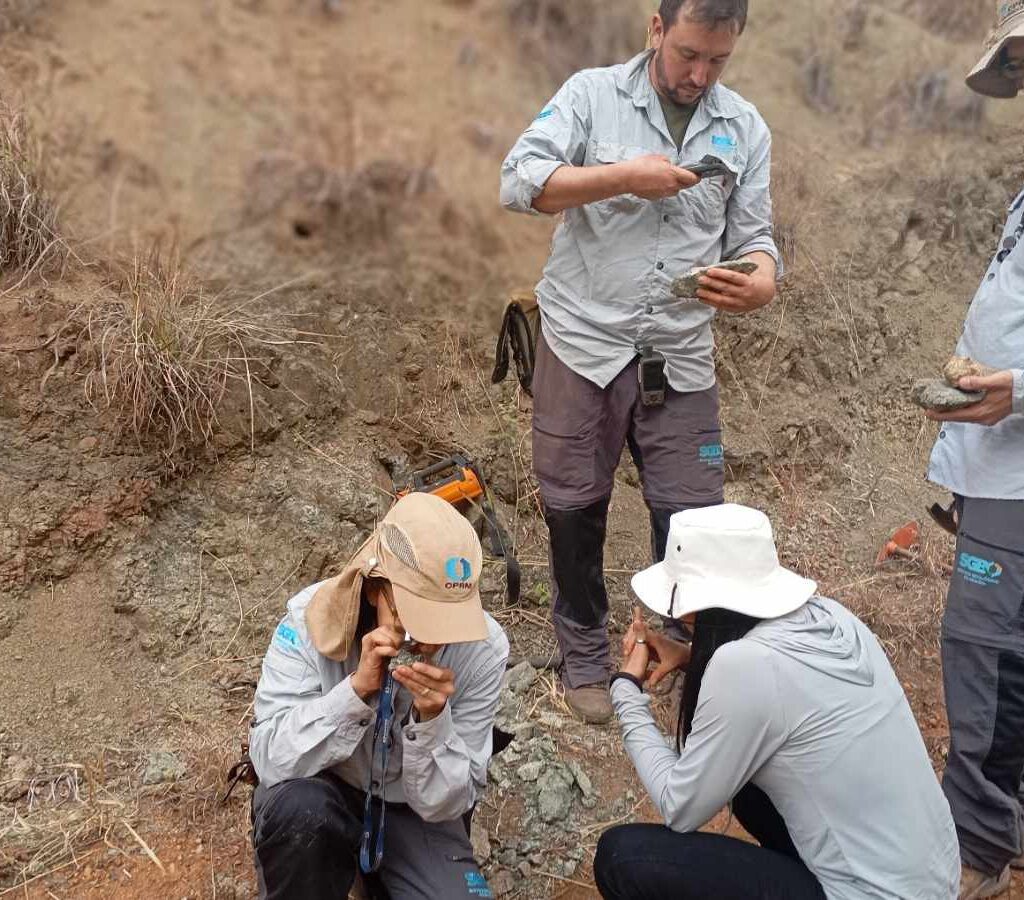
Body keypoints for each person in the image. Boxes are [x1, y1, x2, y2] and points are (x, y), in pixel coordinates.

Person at [499, 0, 781, 723]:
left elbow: (756, 239)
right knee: (573, 510)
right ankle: (586, 656)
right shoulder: (590, 96)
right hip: (582, 344)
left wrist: (755, 282)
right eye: (688, 52)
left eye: (718, 59)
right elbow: (519, 180)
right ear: (656, 29)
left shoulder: (744, 126)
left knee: (693, 519)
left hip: (681, 354)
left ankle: (680, 648)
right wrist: (622, 176)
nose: (698, 73)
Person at [593, 504, 960, 899]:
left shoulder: (744, 666)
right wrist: (687, 656)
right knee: (746, 787)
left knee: (621, 858)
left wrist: (626, 687)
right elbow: (779, 691)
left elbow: (679, 807)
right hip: (934, 880)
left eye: (684, 610)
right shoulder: (831, 616)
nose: (682, 617)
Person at [247, 492, 509, 900]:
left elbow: (453, 802)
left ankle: (381, 875)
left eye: (446, 620)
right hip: (325, 788)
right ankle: (329, 867)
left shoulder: (484, 649)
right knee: (301, 815)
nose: (428, 640)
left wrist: (434, 723)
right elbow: (269, 758)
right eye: (414, 617)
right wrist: (354, 693)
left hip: (412, 809)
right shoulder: (305, 621)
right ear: (374, 589)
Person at [921, 4, 1024, 897]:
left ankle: (980, 845)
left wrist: (1016, 390)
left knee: (983, 652)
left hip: (1017, 469)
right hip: (999, 465)